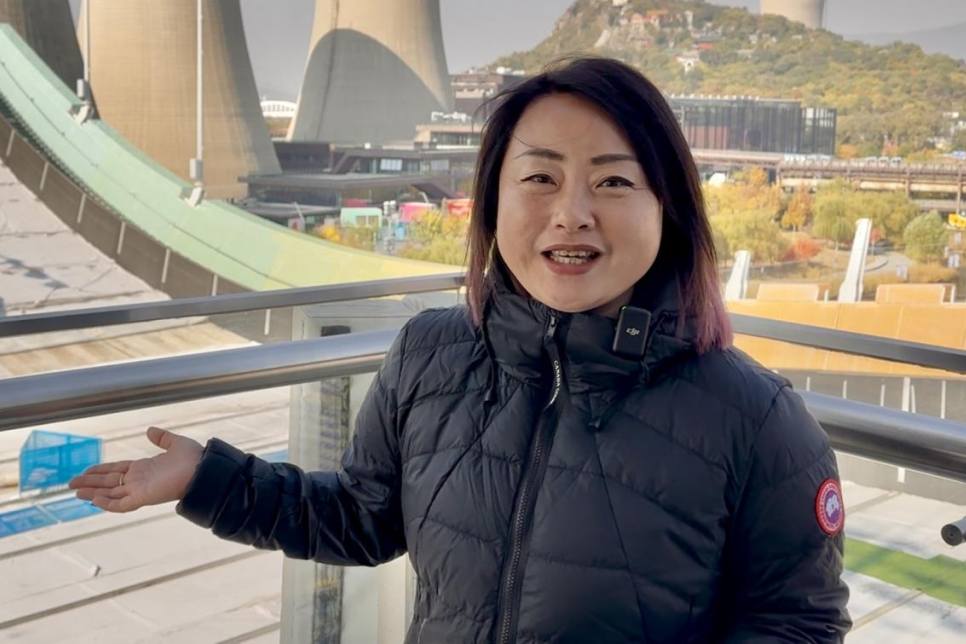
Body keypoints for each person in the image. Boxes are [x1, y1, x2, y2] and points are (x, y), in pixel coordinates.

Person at [71, 56, 851, 642]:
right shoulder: (431, 353)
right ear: (493, 202)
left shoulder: (755, 420)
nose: (572, 213)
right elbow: (361, 516)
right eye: (539, 179)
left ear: (667, 207)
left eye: (613, 183)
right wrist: (205, 478)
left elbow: (799, 624)